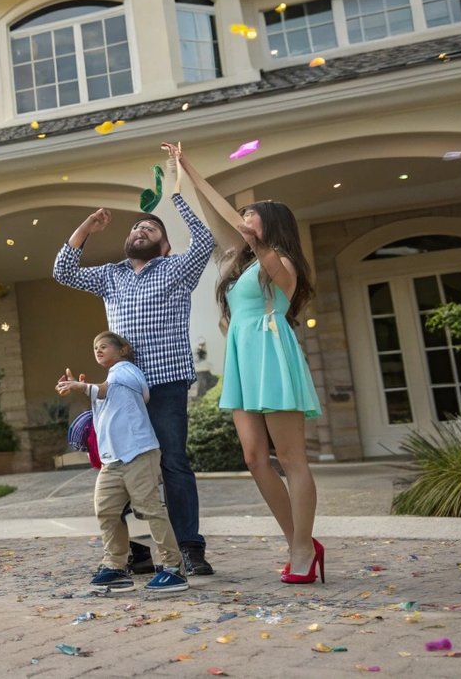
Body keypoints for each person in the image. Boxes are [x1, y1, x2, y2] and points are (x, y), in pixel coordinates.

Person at [52, 148, 216, 576]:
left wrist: (174, 198)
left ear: (163, 245)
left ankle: (189, 548)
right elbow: (63, 271)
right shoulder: (111, 275)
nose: (142, 229)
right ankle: (133, 553)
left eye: (151, 228)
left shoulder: (177, 268)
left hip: (164, 385)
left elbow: (206, 241)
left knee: (172, 463)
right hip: (121, 391)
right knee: (119, 465)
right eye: (138, 225)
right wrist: (87, 227)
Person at [172, 144, 324, 584]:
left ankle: (301, 549)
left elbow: (235, 224)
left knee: (292, 458)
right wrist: (188, 170)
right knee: (255, 458)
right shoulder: (238, 263)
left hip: (271, 352)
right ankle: (299, 540)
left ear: (270, 224)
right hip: (243, 356)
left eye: (250, 215)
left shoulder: (282, 263)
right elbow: (219, 221)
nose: (242, 221)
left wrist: (194, 171)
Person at [57, 332, 187, 594]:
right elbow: (106, 398)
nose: (98, 350)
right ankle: (115, 567)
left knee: (150, 509)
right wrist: (83, 388)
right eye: (95, 347)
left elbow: (107, 389)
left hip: (138, 454)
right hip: (113, 461)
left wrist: (84, 387)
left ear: (123, 350)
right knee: (106, 509)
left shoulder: (126, 370)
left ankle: (174, 568)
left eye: (104, 345)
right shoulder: (109, 380)